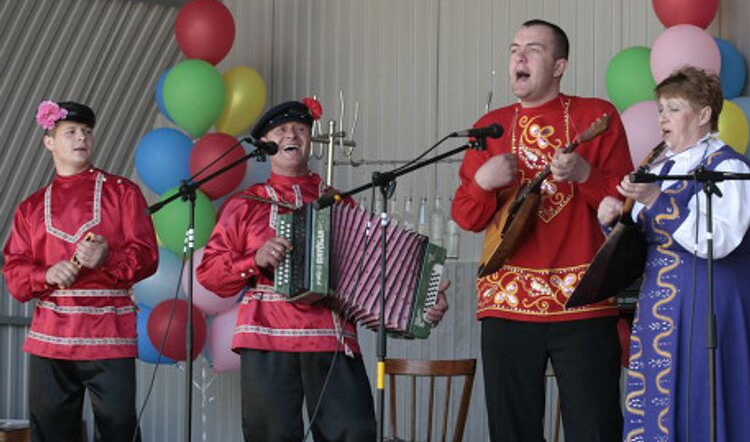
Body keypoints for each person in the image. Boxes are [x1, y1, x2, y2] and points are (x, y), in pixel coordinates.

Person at [196, 98, 450, 442]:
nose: (292, 134)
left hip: (331, 338)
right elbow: (210, 274)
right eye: (281, 130)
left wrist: (422, 303)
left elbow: (372, 276)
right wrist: (252, 261)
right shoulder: (245, 205)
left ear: (309, 141)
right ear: (266, 145)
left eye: (300, 129)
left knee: (353, 434)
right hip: (267, 338)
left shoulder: (339, 203)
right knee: (269, 436)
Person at [451, 19, 633, 441]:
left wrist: (585, 173)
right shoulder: (490, 127)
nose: (520, 56)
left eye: (533, 49)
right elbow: (467, 217)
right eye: (515, 48)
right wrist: (483, 183)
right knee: (511, 429)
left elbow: (626, 205)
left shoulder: (596, 115)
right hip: (507, 301)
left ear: (559, 66)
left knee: (596, 426)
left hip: (583, 299)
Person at [598, 66, 750, 441]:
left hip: (712, 306)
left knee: (705, 403)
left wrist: (657, 200)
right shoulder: (662, 166)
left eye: (674, 108)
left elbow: (717, 241)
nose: (662, 118)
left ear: (704, 114)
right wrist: (616, 220)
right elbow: (649, 240)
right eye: (660, 109)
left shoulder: (728, 167)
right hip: (663, 308)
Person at [3, 100, 158, 442]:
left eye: (87, 131)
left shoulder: (123, 193)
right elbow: (14, 273)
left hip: (109, 336)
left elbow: (148, 257)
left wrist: (109, 256)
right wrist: (45, 276)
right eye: (70, 131)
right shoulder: (29, 207)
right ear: (49, 141)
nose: (81, 138)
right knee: (51, 432)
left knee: (119, 430)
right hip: (50, 341)